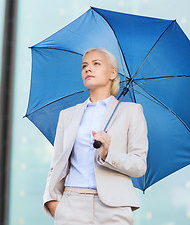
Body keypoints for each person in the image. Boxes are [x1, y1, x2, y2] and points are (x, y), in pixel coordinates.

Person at [43, 48, 148, 225]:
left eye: (96, 64)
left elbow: (139, 166)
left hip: (114, 209)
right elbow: (56, 165)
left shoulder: (131, 111)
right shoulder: (67, 115)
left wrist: (108, 155)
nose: (87, 69)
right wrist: (53, 204)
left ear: (113, 73)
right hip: (71, 206)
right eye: (84, 65)